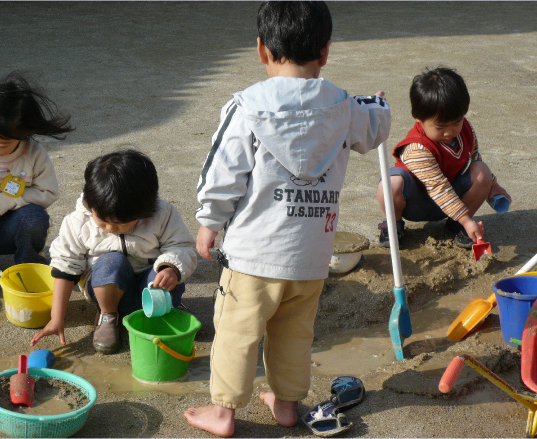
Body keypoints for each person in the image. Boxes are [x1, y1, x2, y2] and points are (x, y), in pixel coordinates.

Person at [184, 2, 391, 437]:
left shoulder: (246, 107)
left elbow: (223, 171)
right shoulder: (344, 105)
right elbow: (374, 130)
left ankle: (223, 412)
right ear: (326, 51)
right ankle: (286, 403)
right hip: (312, 254)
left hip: (253, 255)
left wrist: (208, 221)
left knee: (237, 332)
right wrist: (380, 107)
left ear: (262, 48)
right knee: (295, 333)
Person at [30, 149, 197, 355]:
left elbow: (181, 246)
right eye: (103, 220)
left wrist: (171, 267)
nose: (109, 229)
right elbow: (65, 267)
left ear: (144, 211)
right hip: (107, 292)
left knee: (162, 271)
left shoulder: (163, 215)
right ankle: (108, 316)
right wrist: (57, 318)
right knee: (112, 262)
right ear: (91, 205)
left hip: (150, 290)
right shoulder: (77, 222)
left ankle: (163, 313)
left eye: (120, 223)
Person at [376, 67, 511, 249]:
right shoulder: (417, 147)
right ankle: (394, 224)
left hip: (452, 196)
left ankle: (457, 225)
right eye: (440, 126)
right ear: (419, 118)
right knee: (390, 184)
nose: (450, 132)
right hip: (417, 202)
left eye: (457, 122)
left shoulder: (466, 130)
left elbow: (474, 157)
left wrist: (493, 185)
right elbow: (438, 188)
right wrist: (466, 219)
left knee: (482, 171)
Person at [0, 71, 73, 291]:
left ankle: (28, 266)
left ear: (25, 135)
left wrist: (7, 200)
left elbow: (49, 192)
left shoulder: (33, 154)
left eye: (2, 145)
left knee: (35, 217)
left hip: (14, 225)